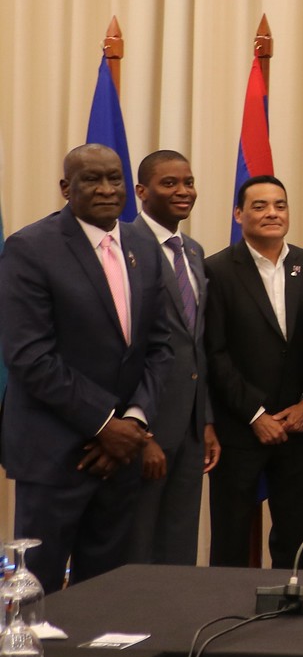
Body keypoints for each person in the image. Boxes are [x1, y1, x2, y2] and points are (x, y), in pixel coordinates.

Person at [0, 144, 175, 590]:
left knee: (104, 596)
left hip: (121, 457)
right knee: (38, 594)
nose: (106, 189)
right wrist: (104, 424)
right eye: (92, 179)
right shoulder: (30, 248)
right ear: (66, 187)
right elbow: (29, 356)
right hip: (53, 455)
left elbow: (160, 346)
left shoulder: (143, 245)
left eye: (114, 178)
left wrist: (132, 423)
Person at [204, 175, 303, 569]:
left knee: (295, 538)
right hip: (240, 429)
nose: (272, 213)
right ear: (239, 214)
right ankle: (228, 604)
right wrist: (255, 415)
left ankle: (293, 603)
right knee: (231, 539)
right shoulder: (216, 270)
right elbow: (215, 353)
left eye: (280, 205)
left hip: (296, 425)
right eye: (260, 206)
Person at [124, 149, 219, 565]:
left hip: (191, 427)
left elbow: (196, 345)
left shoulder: (193, 251)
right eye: (169, 183)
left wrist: (206, 420)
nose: (183, 191)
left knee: (180, 544)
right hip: (145, 424)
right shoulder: (124, 246)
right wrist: (141, 433)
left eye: (189, 182)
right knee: (138, 543)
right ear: (142, 191)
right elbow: (123, 348)